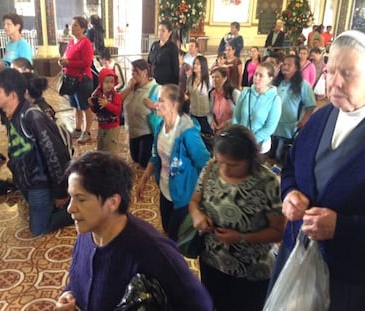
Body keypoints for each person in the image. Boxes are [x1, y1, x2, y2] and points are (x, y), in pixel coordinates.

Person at [269, 30, 365, 310]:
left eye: (347, 73)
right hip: (295, 254)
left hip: (346, 277)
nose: (334, 82)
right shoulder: (320, 118)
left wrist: (343, 228)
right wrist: (290, 194)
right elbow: (289, 168)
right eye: (330, 70)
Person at [55, 151, 213, 311]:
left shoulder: (152, 251)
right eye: (71, 197)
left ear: (113, 202)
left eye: (81, 199)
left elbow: (199, 304)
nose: (70, 208)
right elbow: (78, 280)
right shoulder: (87, 232)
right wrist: (68, 294)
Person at [189, 124, 285, 311]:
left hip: (251, 271)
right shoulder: (211, 168)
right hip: (212, 262)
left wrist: (241, 237)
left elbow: (278, 231)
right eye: (221, 161)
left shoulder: (268, 182)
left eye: (233, 165)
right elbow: (194, 201)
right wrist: (197, 216)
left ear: (249, 159)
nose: (225, 169)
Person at [0, 68, 73, 236]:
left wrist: (60, 192)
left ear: (12, 95)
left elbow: (55, 155)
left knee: (38, 229)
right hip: (26, 181)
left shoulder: (32, 117)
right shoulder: (10, 114)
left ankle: (79, 209)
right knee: (36, 214)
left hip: (40, 184)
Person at [137, 84, 210, 241]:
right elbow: (155, 154)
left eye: (161, 101)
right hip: (165, 188)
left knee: (174, 237)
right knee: (165, 227)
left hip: (183, 194)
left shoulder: (188, 133)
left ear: (174, 104)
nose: (156, 104)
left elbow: (205, 164)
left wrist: (201, 199)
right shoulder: (160, 125)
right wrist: (144, 178)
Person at [269, 54, 316, 163]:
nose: (285, 67)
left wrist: (303, 121)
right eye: (284, 64)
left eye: (289, 65)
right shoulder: (276, 83)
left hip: (289, 130)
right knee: (270, 156)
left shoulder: (303, 85)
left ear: (296, 68)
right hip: (273, 128)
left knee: (280, 157)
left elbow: (311, 106)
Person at [59, 16, 94, 144]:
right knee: (75, 105)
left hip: (82, 80)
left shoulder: (86, 43)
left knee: (84, 106)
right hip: (70, 79)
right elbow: (67, 56)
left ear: (83, 28)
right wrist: (62, 61)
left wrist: (69, 62)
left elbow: (86, 62)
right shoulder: (71, 42)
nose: (72, 28)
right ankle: (78, 128)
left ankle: (87, 131)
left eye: (76, 26)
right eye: (72, 25)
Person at [233, 62, 282, 154]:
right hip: (240, 141)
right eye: (255, 74)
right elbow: (236, 117)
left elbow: (269, 128)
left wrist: (251, 140)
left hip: (258, 145)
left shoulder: (275, 100)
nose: (256, 78)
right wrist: (237, 135)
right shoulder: (246, 92)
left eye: (261, 76)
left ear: (270, 79)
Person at [120, 59, 160, 168]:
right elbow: (118, 99)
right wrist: (129, 88)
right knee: (135, 158)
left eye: (135, 71)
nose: (132, 74)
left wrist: (155, 106)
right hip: (133, 130)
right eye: (131, 71)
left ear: (144, 72)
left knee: (143, 162)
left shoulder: (156, 89)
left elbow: (168, 107)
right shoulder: (130, 85)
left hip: (146, 131)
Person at [88, 68, 122, 153]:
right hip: (101, 126)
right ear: (101, 82)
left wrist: (107, 105)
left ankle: (111, 165)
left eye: (111, 82)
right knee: (101, 149)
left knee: (111, 150)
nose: (109, 85)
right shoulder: (98, 94)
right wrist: (92, 105)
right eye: (106, 82)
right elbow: (96, 111)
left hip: (112, 127)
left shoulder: (115, 95)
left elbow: (117, 111)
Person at [186, 55, 212, 134]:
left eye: (198, 64)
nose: (195, 66)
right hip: (193, 111)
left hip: (205, 113)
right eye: (194, 64)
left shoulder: (208, 80)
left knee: (207, 134)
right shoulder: (190, 79)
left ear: (203, 66)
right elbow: (188, 93)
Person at [209, 67, 240, 135]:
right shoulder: (212, 94)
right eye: (212, 77)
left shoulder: (234, 93)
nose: (214, 80)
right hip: (218, 131)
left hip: (233, 130)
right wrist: (212, 122)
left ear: (225, 78)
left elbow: (240, 115)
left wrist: (226, 123)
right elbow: (210, 112)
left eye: (217, 77)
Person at [148, 20, 179, 85]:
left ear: (169, 32)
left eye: (163, 31)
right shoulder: (154, 45)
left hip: (165, 84)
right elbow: (149, 62)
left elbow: (175, 69)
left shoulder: (172, 47)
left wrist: (173, 87)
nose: (160, 33)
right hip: (152, 82)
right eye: (159, 30)